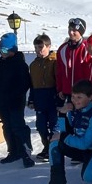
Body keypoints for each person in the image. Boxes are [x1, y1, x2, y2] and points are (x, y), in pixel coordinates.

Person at [38, 80, 92, 184]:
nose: (75, 100)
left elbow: (85, 144)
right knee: (55, 144)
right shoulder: (74, 111)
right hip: (78, 147)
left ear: (90, 97)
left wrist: (63, 137)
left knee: (89, 177)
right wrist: (62, 115)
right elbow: (65, 132)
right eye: (73, 96)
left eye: (79, 97)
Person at [0, 33, 34, 168]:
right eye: (0, 50)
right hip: (1, 104)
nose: (2, 53)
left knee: (18, 126)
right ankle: (13, 151)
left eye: (4, 50)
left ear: (12, 50)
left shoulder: (20, 65)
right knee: (7, 127)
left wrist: (14, 96)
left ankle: (25, 152)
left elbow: (24, 84)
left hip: (15, 103)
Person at [30, 33, 58, 161]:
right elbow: (32, 84)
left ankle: (54, 148)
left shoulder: (55, 61)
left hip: (52, 97)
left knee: (54, 125)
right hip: (39, 98)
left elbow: (59, 81)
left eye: (41, 47)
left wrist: (60, 97)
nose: (38, 50)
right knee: (41, 126)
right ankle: (46, 146)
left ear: (48, 46)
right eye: (36, 48)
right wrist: (31, 99)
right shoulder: (34, 65)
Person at [55, 18, 92, 112]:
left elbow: (91, 71)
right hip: (68, 93)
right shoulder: (62, 49)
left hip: (84, 92)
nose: (71, 32)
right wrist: (60, 88)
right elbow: (59, 71)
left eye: (74, 30)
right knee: (70, 117)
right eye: (70, 29)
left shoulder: (87, 48)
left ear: (81, 32)